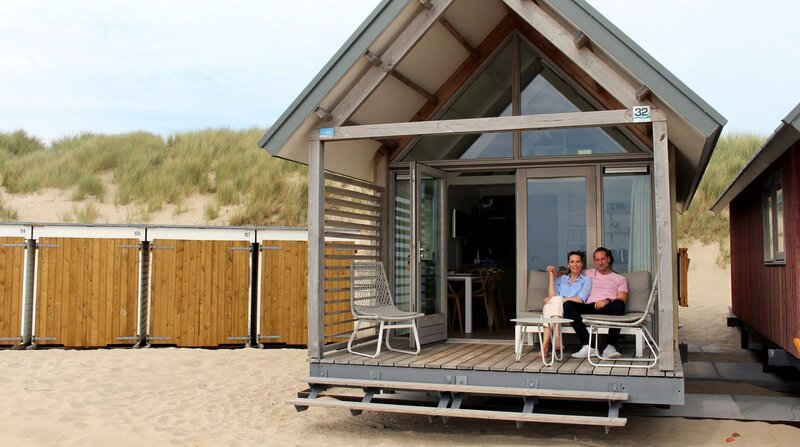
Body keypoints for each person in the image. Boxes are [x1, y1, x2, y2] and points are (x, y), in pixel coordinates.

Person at [561, 247, 628, 360]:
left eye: (603, 259)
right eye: (597, 260)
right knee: (568, 305)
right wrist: (555, 273)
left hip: (608, 306)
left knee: (620, 304)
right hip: (590, 305)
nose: (600, 262)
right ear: (594, 261)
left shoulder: (620, 279)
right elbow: (572, 270)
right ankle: (589, 346)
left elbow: (622, 298)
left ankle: (610, 347)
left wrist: (607, 300)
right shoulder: (588, 273)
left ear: (609, 259)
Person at [539, 250, 592, 359]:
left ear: (582, 264)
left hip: (571, 310)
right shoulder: (560, 279)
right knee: (550, 305)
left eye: (578, 262)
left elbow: (580, 299)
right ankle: (555, 338)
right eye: (572, 262)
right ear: (568, 264)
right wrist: (551, 277)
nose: (575, 264)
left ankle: (545, 346)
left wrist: (559, 299)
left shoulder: (587, 280)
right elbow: (551, 295)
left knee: (551, 303)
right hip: (556, 311)